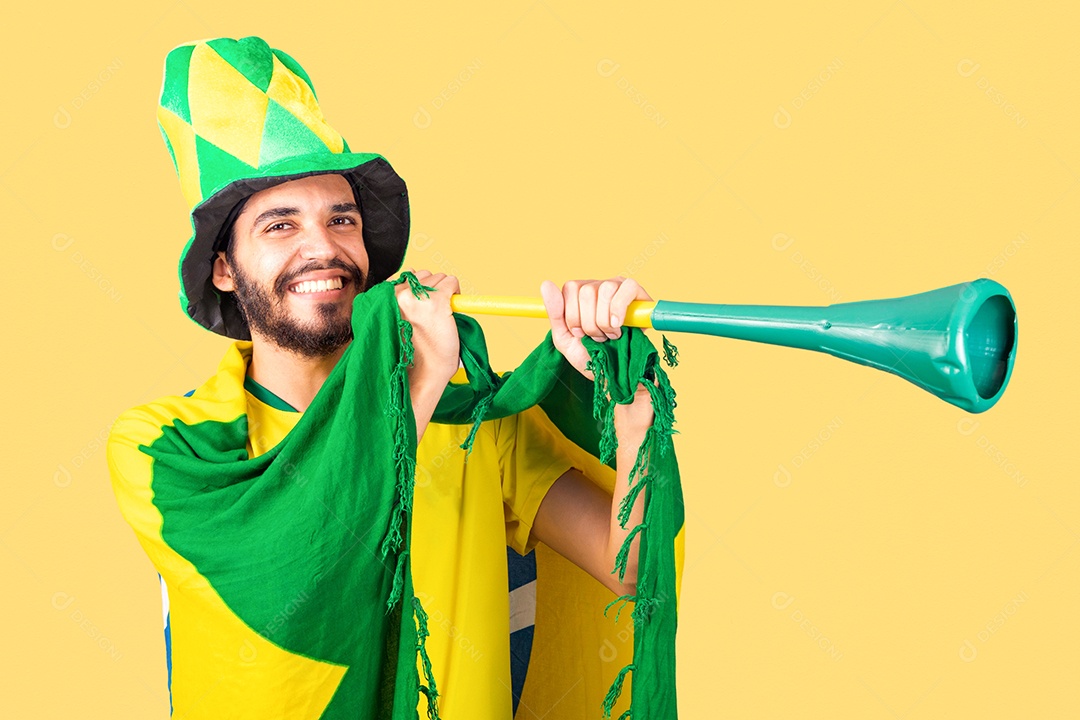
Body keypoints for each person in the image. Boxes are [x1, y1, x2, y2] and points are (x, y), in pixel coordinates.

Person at [108, 36, 681, 719]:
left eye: (340, 218)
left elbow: (631, 570)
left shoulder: (470, 421)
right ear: (225, 270)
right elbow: (305, 579)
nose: (322, 246)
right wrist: (416, 385)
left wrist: (627, 409)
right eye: (280, 225)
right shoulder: (165, 447)